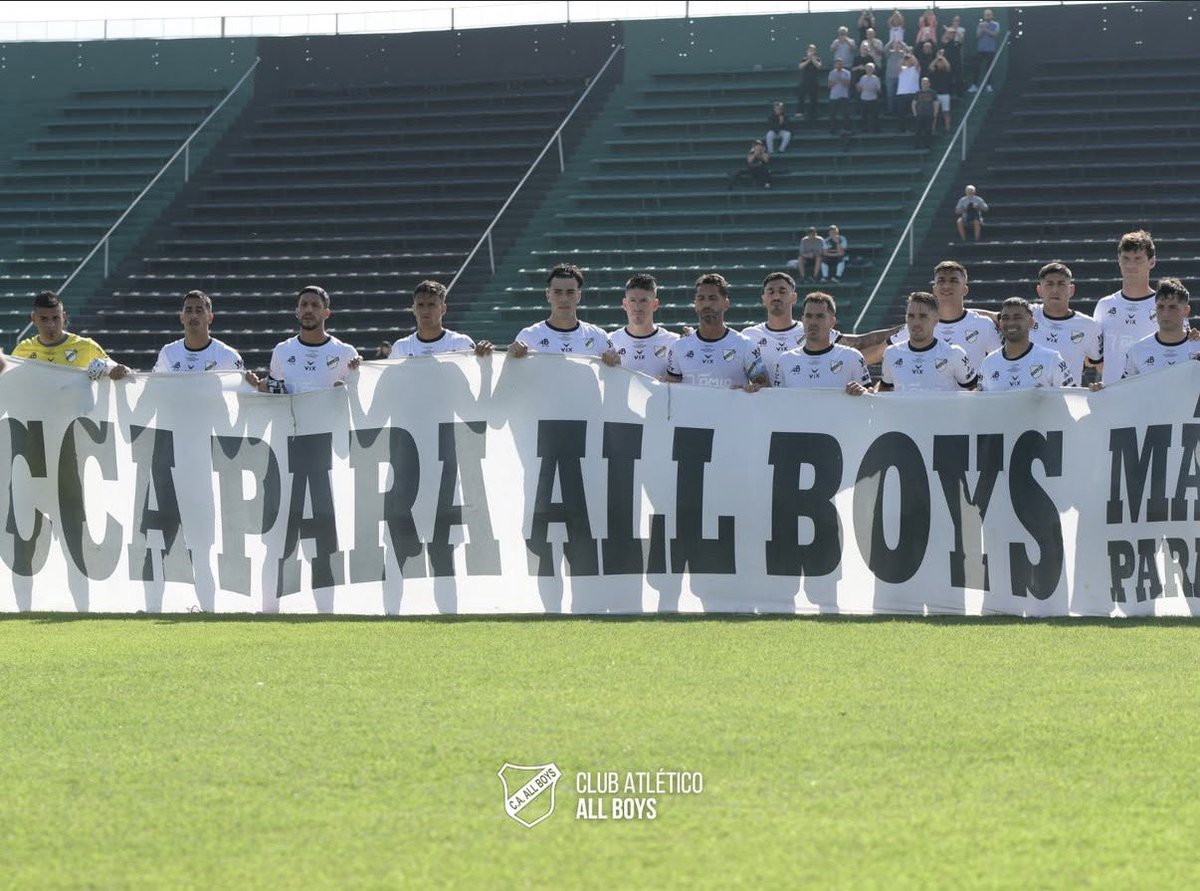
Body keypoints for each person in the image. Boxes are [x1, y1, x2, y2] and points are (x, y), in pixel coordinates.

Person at [1091, 230, 1192, 386]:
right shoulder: (1104, 305)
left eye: (1138, 259)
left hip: (1153, 397)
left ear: (1152, 262)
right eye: (1126, 258)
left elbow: (1184, 346)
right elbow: (1096, 359)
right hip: (1112, 398)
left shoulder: (1165, 307)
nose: (1131, 265)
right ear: (1119, 260)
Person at [743, 272, 899, 369]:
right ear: (763, 298)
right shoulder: (749, 335)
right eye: (771, 292)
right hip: (766, 414)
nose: (776, 296)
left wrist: (905, 330)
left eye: (782, 291)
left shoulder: (812, 329)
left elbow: (860, 342)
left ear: (794, 297)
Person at [889, 260, 1001, 370]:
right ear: (934, 289)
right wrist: (871, 386)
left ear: (965, 289)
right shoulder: (919, 326)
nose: (946, 285)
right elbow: (880, 354)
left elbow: (1004, 362)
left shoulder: (984, 325)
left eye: (953, 280)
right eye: (941, 281)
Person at [665, 273, 768, 391]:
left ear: (726, 303)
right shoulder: (679, 347)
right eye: (701, 298)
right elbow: (670, 393)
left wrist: (752, 388)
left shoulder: (745, 345)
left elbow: (763, 386)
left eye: (712, 298)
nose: (707, 304)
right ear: (695, 304)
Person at [251, 285, 361, 394]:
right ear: (297, 311)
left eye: (315, 305)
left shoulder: (346, 353)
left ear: (326, 313)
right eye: (304, 304)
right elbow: (274, 389)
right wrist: (257, 385)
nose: (309, 310)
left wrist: (354, 379)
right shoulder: (282, 350)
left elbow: (358, 394)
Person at [509, 263, 619, 365]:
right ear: (548, 295)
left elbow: (616, 379)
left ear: (579, 296)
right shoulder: (528, 337)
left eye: (570, 292)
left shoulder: (598, 337)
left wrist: (616, 364)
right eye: (557, 292)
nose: (564, 299)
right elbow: (512, 379)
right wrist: (511, 358)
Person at [12, 291, 130, 380]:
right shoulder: (22, 350)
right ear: (34, 318)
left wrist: (116, 369)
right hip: (36, 412)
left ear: (64, 317)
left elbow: (116, 367)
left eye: (55, 318)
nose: (51, 324)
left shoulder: (86, 346)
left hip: (76, 412)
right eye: (44, 319)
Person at [772, 292, 872, 395]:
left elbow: (870, 401)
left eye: (820, 316)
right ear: (802, 320)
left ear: (832, 322)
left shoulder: (852, 357)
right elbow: (777, 403)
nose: (813, 322)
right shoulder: (786, 360)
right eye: (808, 316)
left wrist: (865, 393)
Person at [878, 291, 979, 392]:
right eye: (911, 316)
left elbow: (975, 389)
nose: (916, 322)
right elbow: (884, 389)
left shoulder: (954, 353)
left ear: (936, 319)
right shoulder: (891, 353)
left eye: (923, 316)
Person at [1030, 261, 1101, 386]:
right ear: (1039, 290)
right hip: (1029, 401)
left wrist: (1103, 386)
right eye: (1049, 284)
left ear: (1071, 290)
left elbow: (1099, 364)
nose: (1055, 290)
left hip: (1068, 400)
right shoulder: (1025, 315)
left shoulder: (1089, 325)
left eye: (1061, 284)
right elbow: (995, 318)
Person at [979, 297, 1073, 391]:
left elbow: (1073, 397)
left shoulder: (1052, 359)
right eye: (1006, 318)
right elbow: (981, 401)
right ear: (1000, 324)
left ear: (1031, 322)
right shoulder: (988, 362)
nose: (1011, 322)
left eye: (1017, 317)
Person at [1119, 278, 1200, 380]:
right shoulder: (1137, 350)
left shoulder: (1198, 346)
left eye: (1172, 307)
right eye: (1160, 307)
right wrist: (1100, 392)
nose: (1165, 314)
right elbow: (1124, 391)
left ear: (1186, 310)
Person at [391, 279, 492, 357]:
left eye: (431, 305)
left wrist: (484, 358)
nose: (425, 310)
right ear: (414, 309)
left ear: (443, 309)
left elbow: (474, 377)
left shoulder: (461, 344)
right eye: (420, 305)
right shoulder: (400, 348)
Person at [153, 290, 245, 373]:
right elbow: (153, 387)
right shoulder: (168, 353)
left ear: (210, 317)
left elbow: (242, 389)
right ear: (181, 317)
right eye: (188, 311)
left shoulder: (228, 356)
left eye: (199, 311)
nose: (193, 315)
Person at [608, 273, 679, 380]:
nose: (637, 307)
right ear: (625, 304)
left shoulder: (673, 342)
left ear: (655, 304)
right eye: (632, 300)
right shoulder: (610, 341)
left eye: (644, 301)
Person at [970, 9, 1000, 92]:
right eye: (986, 15)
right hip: (981, 50)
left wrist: (985, 29)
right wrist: (982, 28)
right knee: (977, 68)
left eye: (989, 14)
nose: (988, 16)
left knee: (988, 68)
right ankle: (974, 86)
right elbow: (977, 36)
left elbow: (995, 34)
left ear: (992, 15)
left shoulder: (996, 24)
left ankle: (989, 86)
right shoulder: (980, 24)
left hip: (990, 50)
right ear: (984, 16)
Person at [797, 45, 824, 121]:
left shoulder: (817, 59)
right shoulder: (804, 59)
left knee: (814, 99)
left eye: (812, 50)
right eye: (810, 50)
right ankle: (800, 112)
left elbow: (819, 66)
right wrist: (808, 60)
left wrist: (813, 59)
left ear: (815, 51)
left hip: (814, 83)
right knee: (801, 97)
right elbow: (800, 67)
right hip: (804, 82)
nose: (811, 51)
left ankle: (814, 114)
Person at [895, 49, 920, 131]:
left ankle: (915, 129)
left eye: (909, 60)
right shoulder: (901, 69)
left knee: (914, 113)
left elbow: (917, 63)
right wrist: (904, 56)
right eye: (907, 60)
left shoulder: (915, 69)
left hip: (913, 93)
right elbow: (898, 66)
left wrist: (911, 55)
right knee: (901, 114)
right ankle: (901, 129)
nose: (908, 61)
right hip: (902, 94)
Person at [929, 50, 954, 133]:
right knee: (934, 114)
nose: (940, 63)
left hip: (945, 94)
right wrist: (937, 58)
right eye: (939, 62)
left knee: (946, 112)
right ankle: (932, 129)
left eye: (941, 62)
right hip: (935, 95)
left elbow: (948, 66)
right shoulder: (933, 72)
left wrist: (942, 57)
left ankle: (948, 128)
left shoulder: (947, 71)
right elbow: (930, 66)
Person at [941, 15, 966, 94]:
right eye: (950, 33)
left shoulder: (957, 43)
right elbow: (943, 40)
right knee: (948, 76)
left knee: (958, 76)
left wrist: (955, 30)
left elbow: (962, 40)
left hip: (957, 60)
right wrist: (947, 31)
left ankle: (959, 93)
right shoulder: (946, 43)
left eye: (952, 33)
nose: (951, 34)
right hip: (948, 61)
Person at [827, 58, 853, 133]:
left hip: (844, 96)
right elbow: (829, 85)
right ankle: (832, 129)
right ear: (835, 65)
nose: (839, 65)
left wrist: (840, 78)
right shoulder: (832, 73)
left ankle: (847, 129)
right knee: (832, 114)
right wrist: (835, 80)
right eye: (837, 64)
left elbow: (847, 84)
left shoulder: (847, 73)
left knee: (845, 114)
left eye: (840, 64)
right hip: (834, 96)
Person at [912, 76, 939, 147]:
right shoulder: (917, 93)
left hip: (929, 114)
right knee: (918, 130)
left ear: (929, 84)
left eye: (926, 83)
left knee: (928, 130)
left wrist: (935, 113)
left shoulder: (933, 92)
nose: (924, 84)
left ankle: (928, 145)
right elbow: (914, 103)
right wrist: (915, 113)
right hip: (919, 114)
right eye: (923, 83)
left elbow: (935, 103)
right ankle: (917, 145)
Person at [884, 37, 908, 115]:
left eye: (898, 45)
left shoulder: (903, 54)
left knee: (900, 96)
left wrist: (902, 43)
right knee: (890, 95)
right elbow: (885, 49)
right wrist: (891, 42)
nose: (897, 46)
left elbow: (908, 51)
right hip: (890, 77)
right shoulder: (889, 53)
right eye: (895, 45)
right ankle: (891, 110)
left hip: (901, 78)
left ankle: (899, 111)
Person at [856, 62, 883, 133]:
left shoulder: (876, 79)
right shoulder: (862, 78)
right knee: (863, 116)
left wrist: (875, 89)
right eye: (867, 68)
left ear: (873, 69)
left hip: (873, 99)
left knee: (875, 116)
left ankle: (876, 130)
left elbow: (879, 91)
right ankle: (864, 129)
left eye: (871, 68)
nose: (869, 69)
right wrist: (858, 86)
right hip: (864, 99)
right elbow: (859, 90)